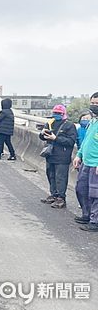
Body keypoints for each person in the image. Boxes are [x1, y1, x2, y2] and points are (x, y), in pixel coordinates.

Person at [39, 104, 77, 209]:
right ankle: (53, 195)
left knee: (60, 177)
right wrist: (42, 134)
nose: (56, 115)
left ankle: (61, 198)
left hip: (62, 156)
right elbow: (42, 137)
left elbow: (70, 141)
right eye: (54, 113)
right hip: (50, 154)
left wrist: (56, 138)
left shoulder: (69, 125)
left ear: (64, 114)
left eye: (59, 113)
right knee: (50, 175)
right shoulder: (50, 123)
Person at [73, 92, 98, 231]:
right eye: (92, 103)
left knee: (95, 194)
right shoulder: (92, 121)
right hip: (86, 162)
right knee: (81, 189)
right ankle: (87, 214)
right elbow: (86, 142)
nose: (94, 106)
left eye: (97, 104)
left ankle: (95, 221)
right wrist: (78, 155)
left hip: (95, 164)